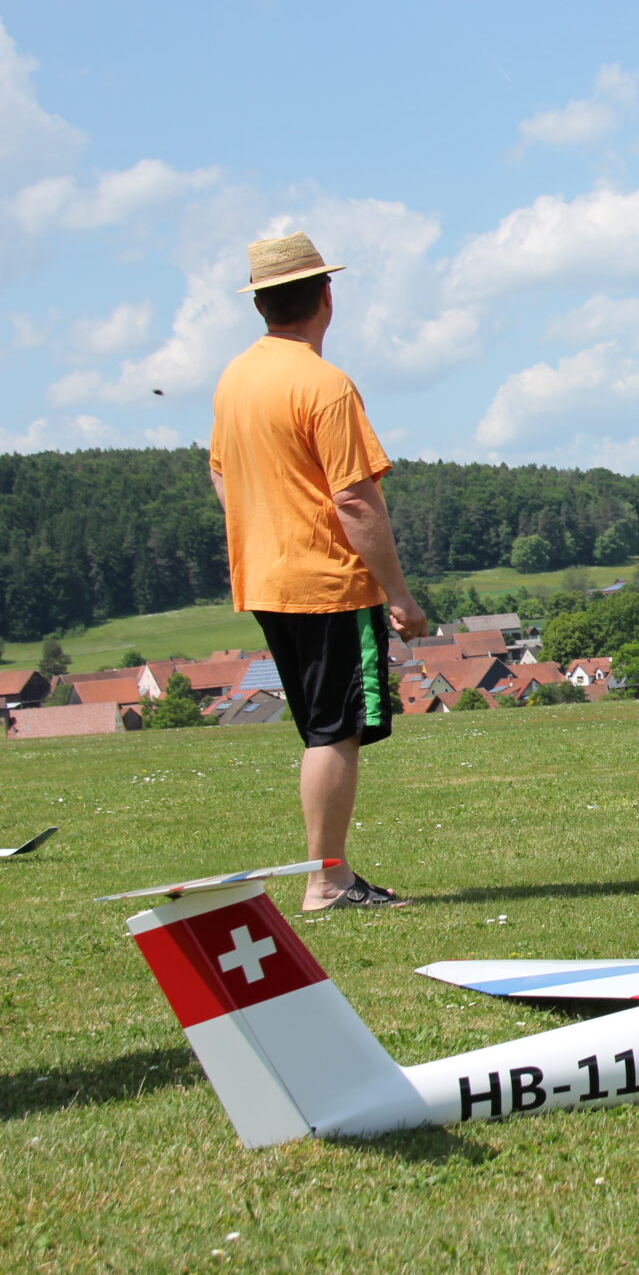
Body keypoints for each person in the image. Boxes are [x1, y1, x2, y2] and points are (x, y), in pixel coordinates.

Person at [209, 231, 429, 911]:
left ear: (260, 305)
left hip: (269, 580)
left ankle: (328, 875)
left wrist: (265, 525)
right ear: (326, 296)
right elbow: (356, 499)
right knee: (336, 729)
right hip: (328, 582)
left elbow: (220, 473)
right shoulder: (325, 385)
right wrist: (398, 593)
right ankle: (327, 881)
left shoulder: (235, 378)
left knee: (320, 727)